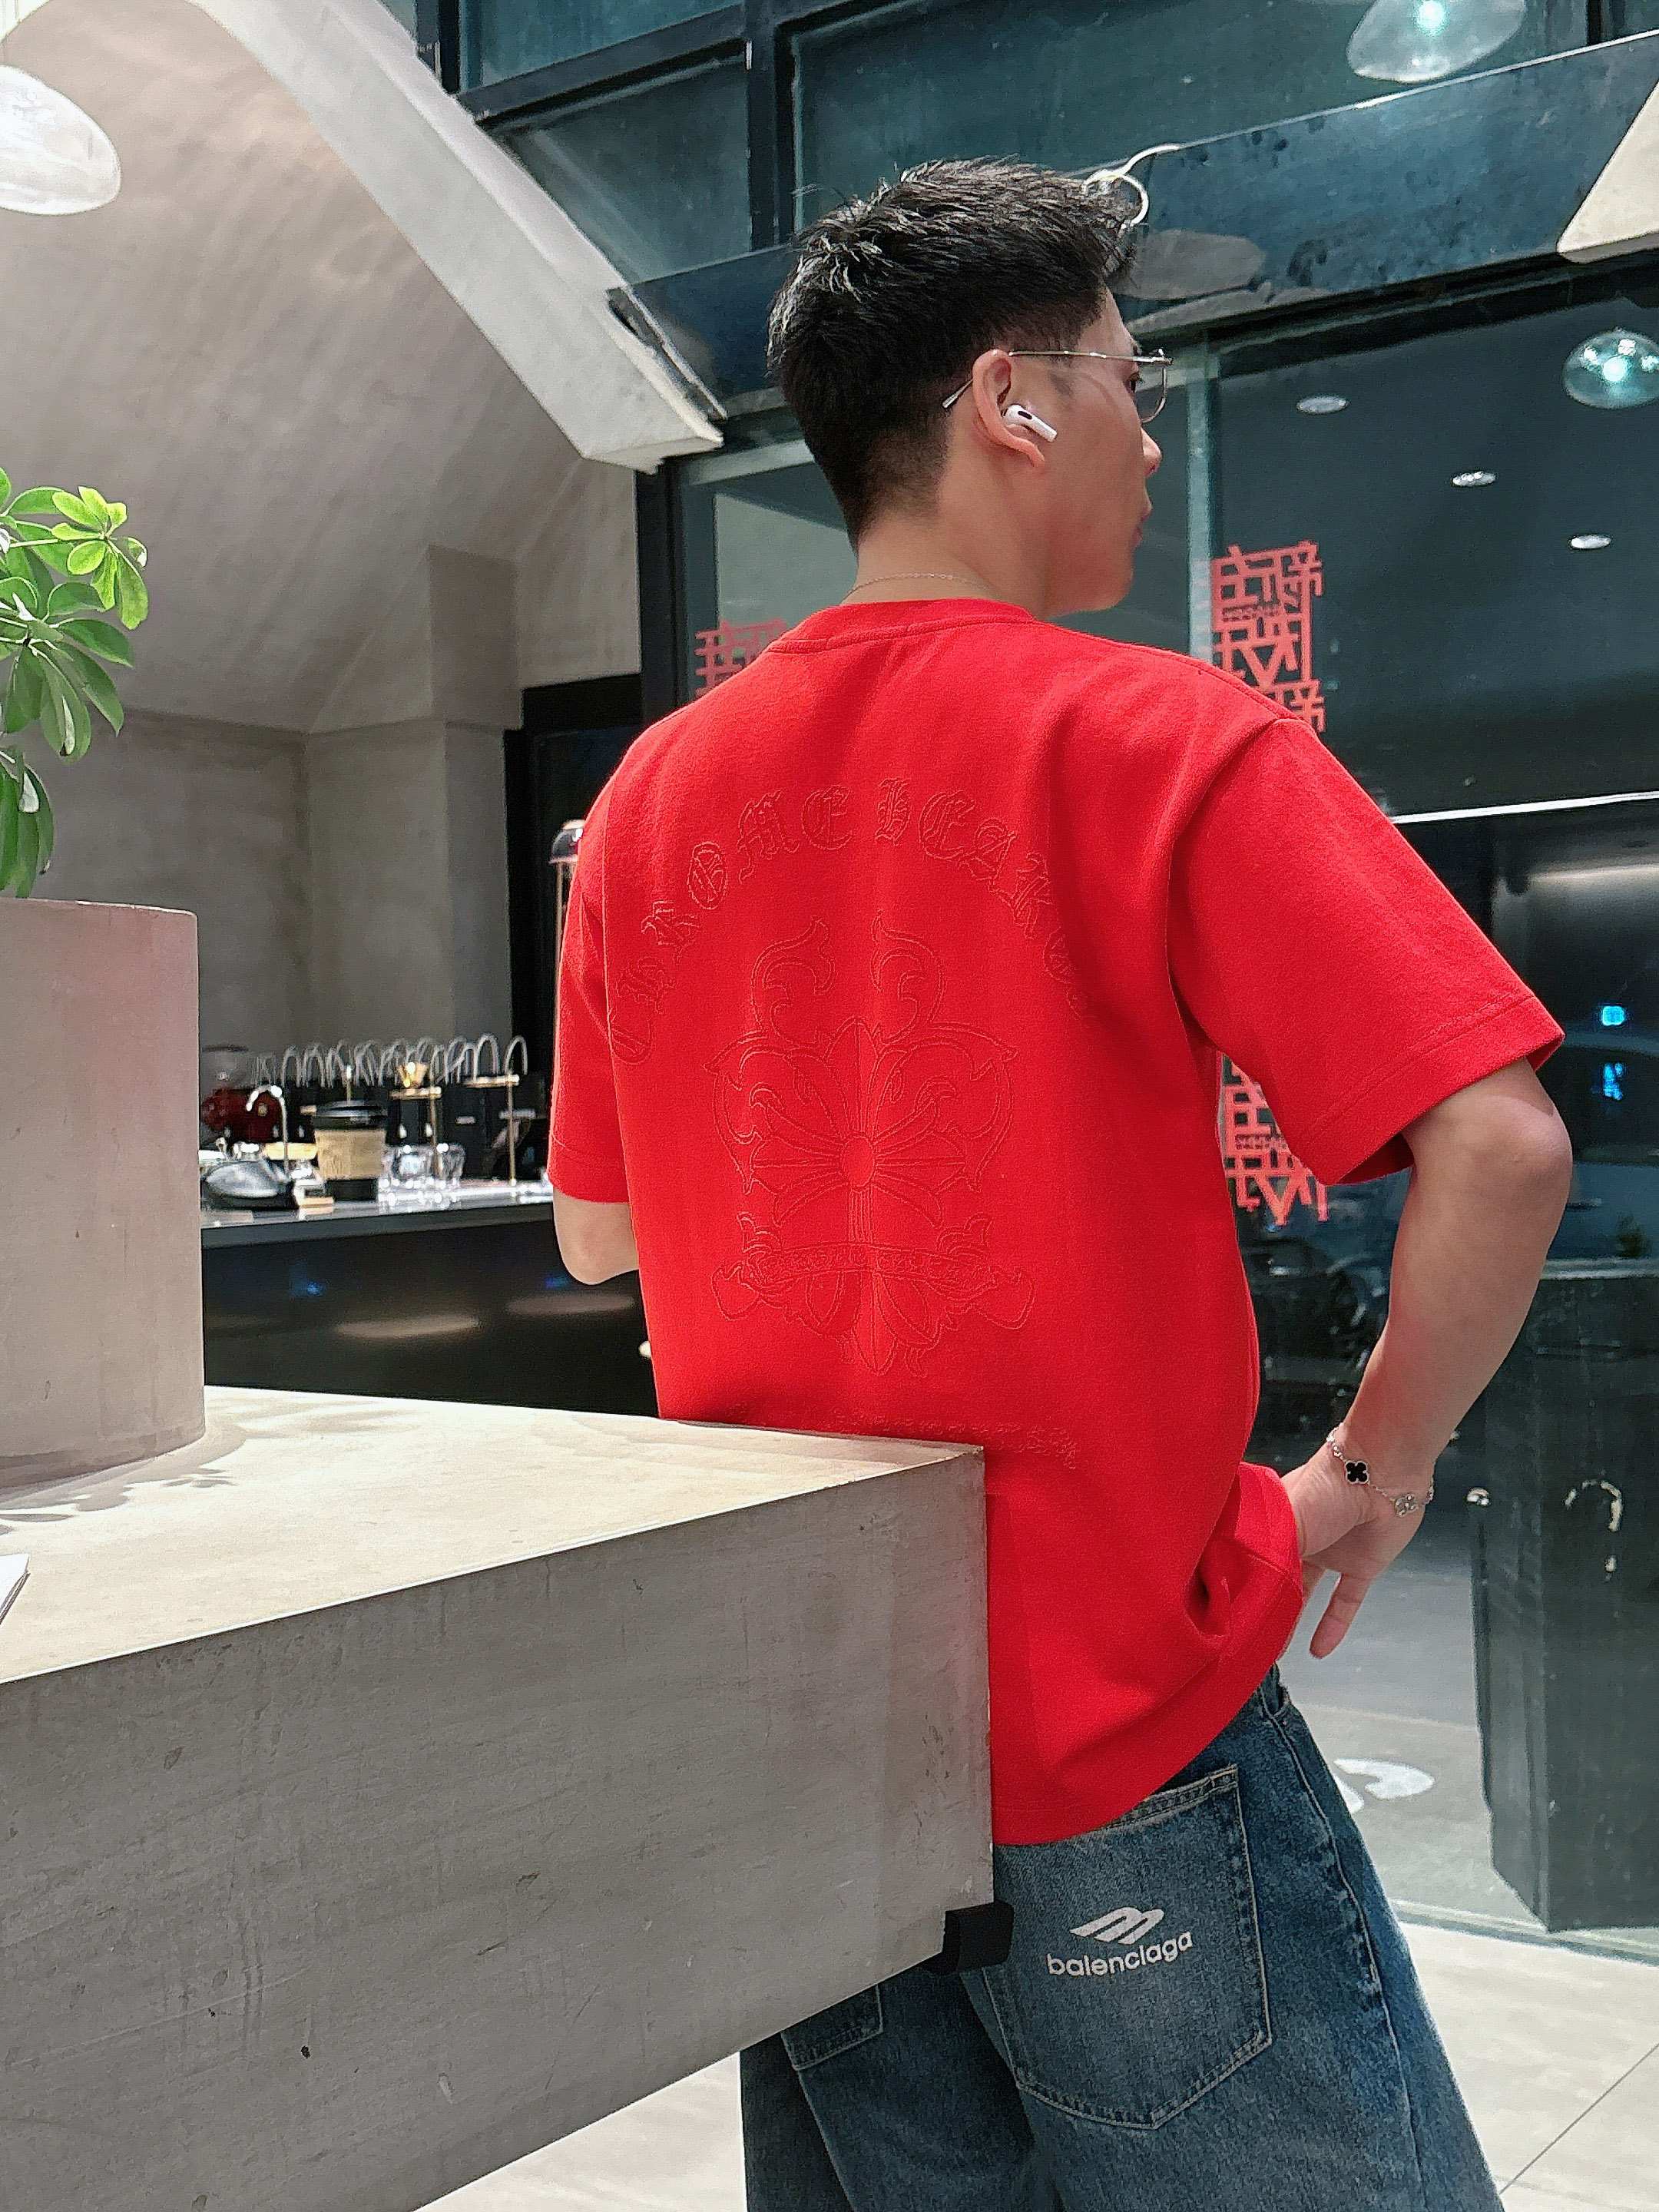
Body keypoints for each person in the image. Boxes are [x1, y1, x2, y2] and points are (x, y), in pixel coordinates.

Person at [548, 157, 1573, 2210]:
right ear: (1012, 399)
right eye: (1134, 376)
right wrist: (1373, 1471)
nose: (1151, 431)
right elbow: (1505, 1141)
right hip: (1119, 1723)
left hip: (808, 1739)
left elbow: (599, 1236)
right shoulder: (1161, 736)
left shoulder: (652, 795)